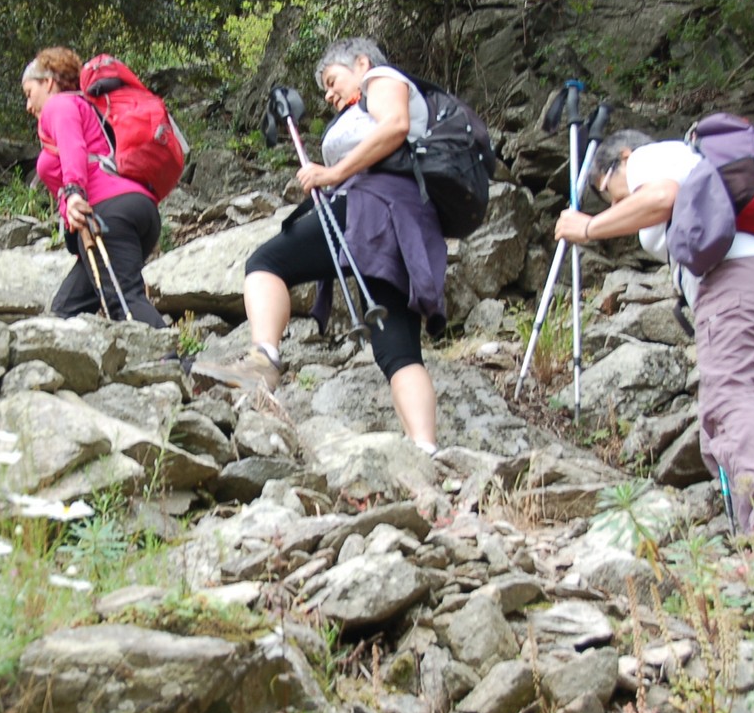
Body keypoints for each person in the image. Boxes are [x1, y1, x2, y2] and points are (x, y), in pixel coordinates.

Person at [553, 127, 754, 552]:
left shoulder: (650, 157)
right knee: (720, 431)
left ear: (622, 156)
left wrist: (589, 227)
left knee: (730, 399)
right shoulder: (696, 164)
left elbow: (663, 196)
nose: (614, 205)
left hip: (742, 283)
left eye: (607, 190)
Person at [191, 38, 448, 454]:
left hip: (371, 210)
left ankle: (263, 361)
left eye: (331, 81)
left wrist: (332, 174)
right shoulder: (365, 105)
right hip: (401, 225)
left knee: (267, 263)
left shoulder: (382, 78)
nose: (328, 95)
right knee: (397, 349)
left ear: (361, 62)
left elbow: (395, 126)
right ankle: (425, 450)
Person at [23, 46, 167, 328]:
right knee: (66, 310)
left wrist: (74, 193)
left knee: (125, 302)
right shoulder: (87, 108)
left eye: (29, 93)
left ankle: (172, 355)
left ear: (48, 82)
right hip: (133, 210)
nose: (28, 105)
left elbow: (72, 147)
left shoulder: (59, 105)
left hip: (107, 215)